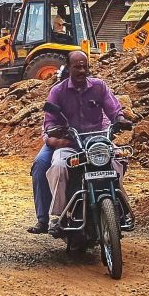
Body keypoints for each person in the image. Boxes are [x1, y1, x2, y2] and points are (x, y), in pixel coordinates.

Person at [29, 50, 128, 235]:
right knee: (53, 165)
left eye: (85, 66)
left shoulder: (99, 86)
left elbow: (114, 109)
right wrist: (56, 134)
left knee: (117, 161)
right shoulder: (57, 91)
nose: (82, 70)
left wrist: (120, 119)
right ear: (69, 68)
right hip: (69, 142)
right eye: (77, 67)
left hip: (96, 141)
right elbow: (49, 122)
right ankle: (54, 217)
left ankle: (119, 208)